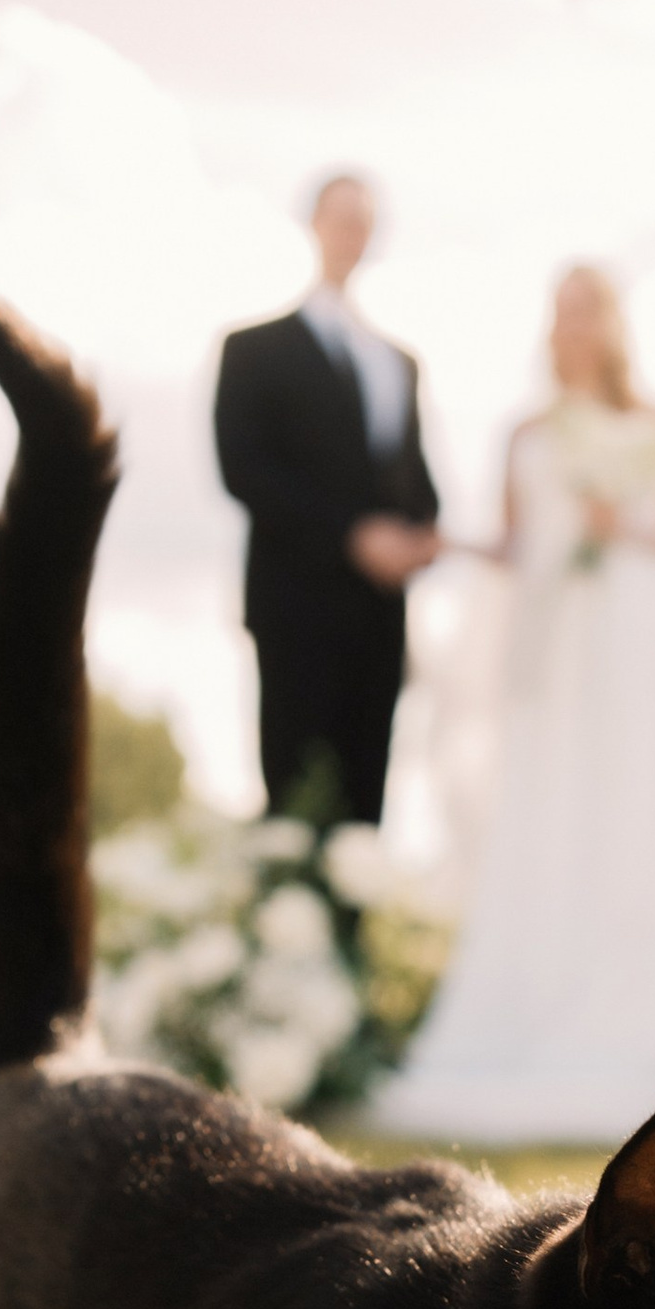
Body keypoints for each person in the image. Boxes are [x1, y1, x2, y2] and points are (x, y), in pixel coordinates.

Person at [374, 264, 655, 1140]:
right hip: (554, 642)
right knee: (551, 804)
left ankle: (646, 1002)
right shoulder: (525, 433)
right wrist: (448, 546)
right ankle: (540, 997)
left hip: (634, 636)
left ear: (614, 324)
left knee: (638, 800)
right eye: (562, 312)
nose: (574, 327)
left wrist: (628, 524)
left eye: (588, 311)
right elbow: (514, 544)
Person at [213, 172, 439, 826]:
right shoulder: (253, 351)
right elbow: (244, 472)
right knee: (293, 798)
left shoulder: (399, 362)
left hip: (379, 617)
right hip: (295, 609)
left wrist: (421, 536)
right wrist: (352, 535)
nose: (351, 234)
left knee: (365, 805)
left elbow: (415, 482)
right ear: (312, 225)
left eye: (362, 222)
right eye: (340, 219)